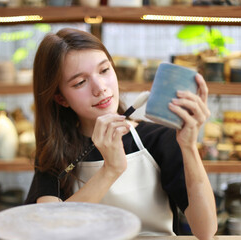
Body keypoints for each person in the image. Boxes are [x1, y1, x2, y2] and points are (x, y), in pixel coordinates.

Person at [25, 28, 217, 240]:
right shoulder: (55, 148)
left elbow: (206, 231)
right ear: (61, 98)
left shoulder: (159, 137)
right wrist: (111, 170)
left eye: (104, 70)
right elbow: (48, 229)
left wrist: (189, 146)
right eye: (80, 82)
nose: (100, 88)